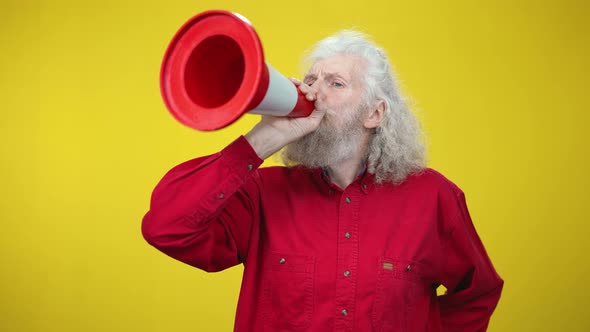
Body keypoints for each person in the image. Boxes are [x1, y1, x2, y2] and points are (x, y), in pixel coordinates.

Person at [142, 30, 503, 331]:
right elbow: (166, 227)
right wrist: (260, 140)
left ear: (374, 113)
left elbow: (477, 294)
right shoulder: (263, 194)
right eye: (311, 80)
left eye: (336, 83)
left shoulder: (433, 197)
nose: (314, 93)